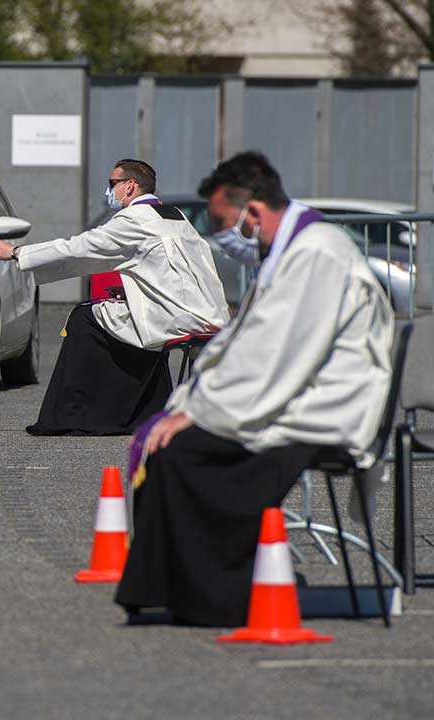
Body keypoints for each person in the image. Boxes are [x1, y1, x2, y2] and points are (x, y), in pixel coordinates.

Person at [114, 152, 395, 627]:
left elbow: (274, 358)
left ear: (255, 211)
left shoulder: (314, 253)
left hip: (320, 409)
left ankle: (212, 597)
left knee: (183, 451)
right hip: (292, 395)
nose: (224, 238)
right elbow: (252, 345)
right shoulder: (293, 250)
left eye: (225, 223)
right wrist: (189, 404)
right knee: (171, 442)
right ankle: (170, 587)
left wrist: (197, 412)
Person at [0, 159, 229, 436]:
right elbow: (176, 273)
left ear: (130, 186)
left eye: (112, 183)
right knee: (116, 312)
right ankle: (146, 409)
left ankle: (79, 415)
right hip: (207, 314)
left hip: (174, 319)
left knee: (84, 317)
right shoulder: (173, 215)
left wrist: (18, 253)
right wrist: (133, 290)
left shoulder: (134, 219)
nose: (108, 190)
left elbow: (80, 247)